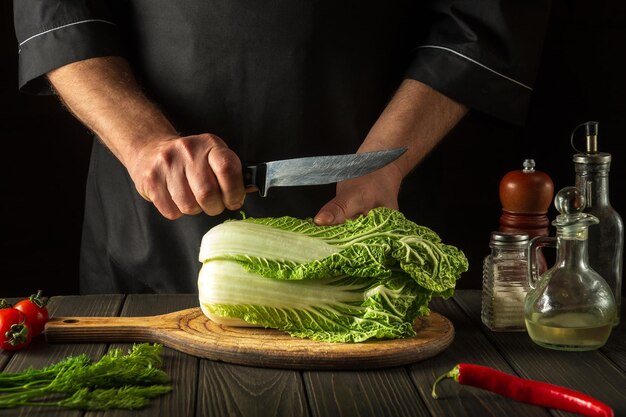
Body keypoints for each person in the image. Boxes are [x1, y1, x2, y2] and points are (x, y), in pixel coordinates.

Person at [13, 1, 551, 294]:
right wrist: (143, 140)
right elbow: (59, 13)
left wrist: (386, 161)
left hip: (376, 209)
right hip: (152, 227)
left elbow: (482, 19)